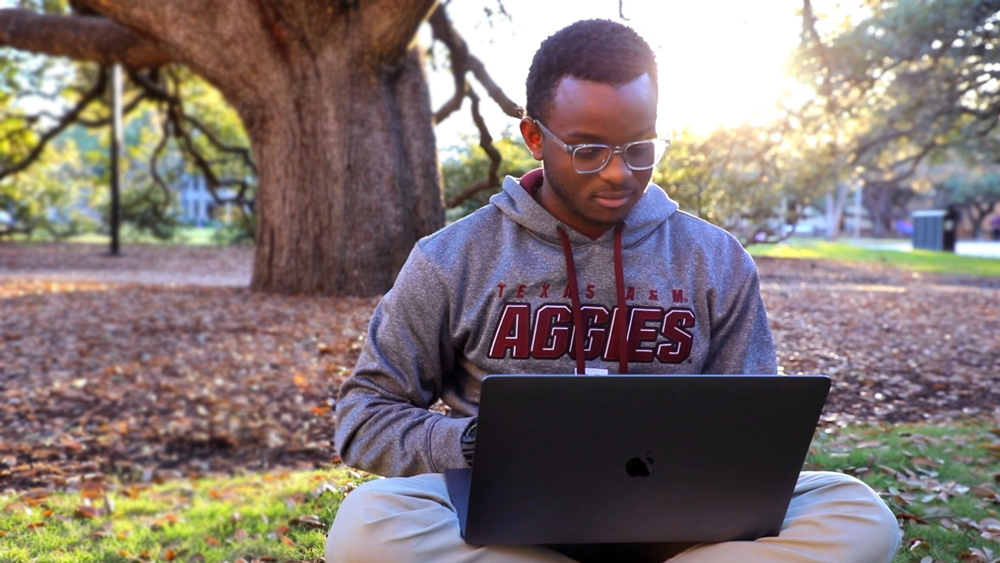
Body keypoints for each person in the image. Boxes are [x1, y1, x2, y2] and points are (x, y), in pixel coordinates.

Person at [326, 19, 901, 563]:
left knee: (858, 514)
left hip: (680, 523)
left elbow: (753, 431)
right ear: (533, 136)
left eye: (639, 147)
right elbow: (363, 417)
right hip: (507, 526)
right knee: (366, 526)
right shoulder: (451, 259)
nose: (618, 173)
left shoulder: (715, 258)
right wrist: (483, 442)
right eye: (588, 149)